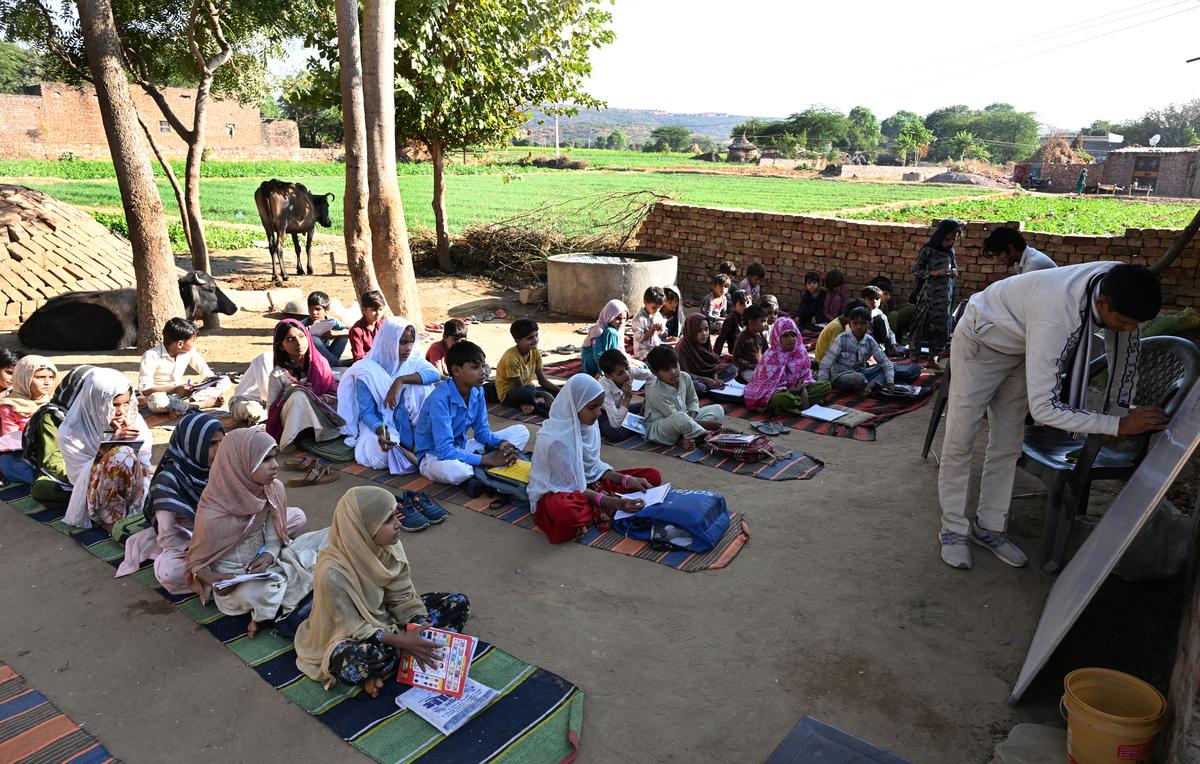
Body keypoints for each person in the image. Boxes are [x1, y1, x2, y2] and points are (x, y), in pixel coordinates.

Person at [937, 263, 1167, 571]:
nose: (1127, 329)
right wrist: (1116, 424)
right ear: (1102, 304)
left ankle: (989, 527)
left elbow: (1126, 357)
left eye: (1134, 324)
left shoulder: (1119, 283)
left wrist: (1119, 411)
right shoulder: (1059, 315)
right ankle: (953, 529)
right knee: (960, 437)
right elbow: (1045, 408)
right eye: (1123, 322)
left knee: (1008, 443)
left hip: (1023, 346)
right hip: (983, 340)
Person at [294, 486, 470, 696]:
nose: (398, 524)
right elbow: (351, 628)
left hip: (390, 621)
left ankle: (400, 655)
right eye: (388, 520)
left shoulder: (390, 545)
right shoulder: (332, 573)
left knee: (457, 603)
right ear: (363, 527)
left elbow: (403, 595)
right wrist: (400, 640)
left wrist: (418, 626)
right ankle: (402, 654)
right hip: (351, 635)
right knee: (357, 663)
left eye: (396, 514)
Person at [185, 428, 326, 638]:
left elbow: (273, 538)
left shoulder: (271, 488)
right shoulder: (211, 512)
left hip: (269, 566)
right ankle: (266, 613)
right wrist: (213, 580)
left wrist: (268, 556)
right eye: (265, 459)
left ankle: (267, 611)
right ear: (240, 463)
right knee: (267, 589)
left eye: (274, 457)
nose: (275, 465)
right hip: (236, 583)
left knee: (330, 535)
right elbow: (196, 563)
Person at [529, 374, 662, 543]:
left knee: (652, 476)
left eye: (600, 406)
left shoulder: (589, 425)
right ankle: (598, 509)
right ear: (574, 405)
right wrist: (615, 503)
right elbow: (572, 487)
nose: (598, 413)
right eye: (592, 407)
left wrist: (626, 480)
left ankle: (593, 512)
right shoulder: (555, 441)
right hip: (561, 492)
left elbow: (595, 467)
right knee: (566, 512)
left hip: (588, 484)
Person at [413, 341, 530, 486]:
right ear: (456, 371)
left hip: (462, 446)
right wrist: (486, 459)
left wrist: (501, 443)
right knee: (458, 471)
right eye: (475, 367)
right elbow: (444, 450)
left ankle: (485, 467)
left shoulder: (477, 390)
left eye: (483, 365)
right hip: (435, 456)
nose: (483, 372)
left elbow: (481, 432)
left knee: (521, 432)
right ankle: (488, 466)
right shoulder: (440, 399)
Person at [337, 317, 440, 474]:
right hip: (384, 426)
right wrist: (380, 430)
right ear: (388, 341)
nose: (408, 348)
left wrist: (400, 380)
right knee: (382, 454)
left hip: (415, 427)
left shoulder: (413, 362)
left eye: (411, 342)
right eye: (403, 342)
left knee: (421, 388)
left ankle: (416, 447)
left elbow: (434, 375)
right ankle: (410, 453)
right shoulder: (367, 371)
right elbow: (366, 412)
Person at [60, 368, 152, 533]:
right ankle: (111, 520)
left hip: (132, 488)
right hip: (94, 494)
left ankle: (134, 511)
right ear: (96, 402)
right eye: (114, 405)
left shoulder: (133, 419)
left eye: (126, 403)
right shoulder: (71, 433)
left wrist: (130, 444)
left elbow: (145, 463)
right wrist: (113, 444)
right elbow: (79, 476)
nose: (121, 411)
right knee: (120, 455)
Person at [265, 319, 341, 450]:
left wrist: (319, 399)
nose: (298, 343)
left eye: (301, 336)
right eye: (290, 340)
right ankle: (293, 440)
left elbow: (334, 394)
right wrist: (289, 396)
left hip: (320, 416)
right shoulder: (278, 374)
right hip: (291, 423)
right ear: (281, 346)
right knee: (298, 395)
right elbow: (271, 409)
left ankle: (321, 436)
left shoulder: (320, 364)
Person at [22, 365, 93, 505]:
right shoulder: (53, 417)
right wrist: (83, 478)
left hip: (102, 470)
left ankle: (91, 499)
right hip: (70, 472)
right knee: (42, 489)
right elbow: (52, 461)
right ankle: (90, 498)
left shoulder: (108, 409)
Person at [138, 317, 228, 414]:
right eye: (192, 341)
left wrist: (201, 385)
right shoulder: (151, 355)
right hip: (163, 396)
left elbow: (207, 373)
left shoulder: (189, 352)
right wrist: (175, 389)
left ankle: (185, 404)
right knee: (156, 401)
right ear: (180, 344)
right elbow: (145, 390)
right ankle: (202, 404)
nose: (194, 344)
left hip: (187, 395)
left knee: (225, 380)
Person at [643, 345, 724, 449]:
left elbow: (693, 401)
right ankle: (707, 435)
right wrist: (705, 425)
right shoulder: (655, 391)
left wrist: (691, 419)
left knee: (718, 409)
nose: (673, 372)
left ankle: (690, 436)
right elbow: (674, 416)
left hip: (685, 420)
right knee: (680, 418)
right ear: (655, 373)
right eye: (666, 370)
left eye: (675, 366)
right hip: (662, 429)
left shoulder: (685, 377)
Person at [744, 317, 831, 413]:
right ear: (777, 337)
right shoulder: (771, 356)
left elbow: (805, 377)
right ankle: (794, 403)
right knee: (780, 400)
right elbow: (768, 389)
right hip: (779, 394)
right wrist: (792, 391)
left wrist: (803, 391)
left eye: (793, 335)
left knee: (825, 386)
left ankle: (796, 403)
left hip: (799, 390)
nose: (791, 339)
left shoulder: (800, 351)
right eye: (785, 336)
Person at [909, 219, 963, 367]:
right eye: (947, 239)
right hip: (928, 295)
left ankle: (933, 358)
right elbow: (916, 270)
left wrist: (953, 272)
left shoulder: (950, 251)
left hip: (944, 297)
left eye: (953, 240)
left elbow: (953, 268)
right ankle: (914, 357)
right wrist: (934, 273)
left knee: (939, 327)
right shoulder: (929, 249)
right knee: (920, 325)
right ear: (940, 236)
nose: (949, 242)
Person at [817, 306, 904, 393]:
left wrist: (890, 383)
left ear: (869, 325)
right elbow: (826, 363)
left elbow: (885, 362)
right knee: (859, 379)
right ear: (850, 325)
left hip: (862, 373)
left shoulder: (870, 341)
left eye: (863, 323)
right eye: (855, 323)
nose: (859, 327)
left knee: (892, 365)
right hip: (841, 376)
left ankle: (871, 385)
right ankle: (870, 385)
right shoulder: (842, 339)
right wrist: (823, 387)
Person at [0, 355, 56, 484]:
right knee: (13, 464)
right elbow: (11, 439)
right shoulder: (10, 406)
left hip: (53, 451)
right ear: (24, 378)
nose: (47, 382)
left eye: (51, 377)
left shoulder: (53, 402)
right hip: (23, 454)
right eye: (40, 377)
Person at [492, 318, 560, 416]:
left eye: (536, 335)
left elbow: (542, 380)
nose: (535, 340)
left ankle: (529, 403)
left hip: (528, 390)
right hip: (511, 394)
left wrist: (561, 391)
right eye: (530, 338)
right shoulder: (511, 358)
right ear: (517, 341)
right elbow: (519, 387)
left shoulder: (535, 351)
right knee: (529, 390)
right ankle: (529, 404)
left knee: (559, 389)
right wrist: (544, 394)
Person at [676, 313, 737, 395]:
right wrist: (706, 380)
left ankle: (711, 386)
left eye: (706, 329)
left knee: (733, 369)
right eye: (699, 330)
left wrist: (715, 376)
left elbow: (713, 365)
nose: (704, 334)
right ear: (691, 330)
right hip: (693, 379)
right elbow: (683, 374)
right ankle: (708, 387)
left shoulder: (705, 343)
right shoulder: (683, 347)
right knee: (697, 386)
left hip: (708, 375)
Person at [597, 349, 646, 442]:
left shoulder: (627, 373)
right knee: (615, 434)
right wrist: (627, 398)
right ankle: (639, 426)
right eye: (620, 373)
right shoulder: (604, 390)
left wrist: (648, 394)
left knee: (645, 403)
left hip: (618, 408)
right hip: (603, 414)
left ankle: (634, 421)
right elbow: (615, 422)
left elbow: (651, 376)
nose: (627, 374)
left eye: (627, 368)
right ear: (608, 376)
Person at [581, 299, 629, 377]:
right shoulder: (597, 330)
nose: (622, 322)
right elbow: (598, 355)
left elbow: (620, 349)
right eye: (618, 319)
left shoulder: (620, 328)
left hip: (607, 360)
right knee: (611, 332)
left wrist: (625, 362)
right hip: (592, 360)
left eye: (624, 318)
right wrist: (604, 373)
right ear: (609, 316)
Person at [303, 291, 349, 367]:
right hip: (313, 356)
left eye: (318, 309)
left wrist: (335, 334)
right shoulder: (303, 324)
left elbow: (351, 329)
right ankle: (335, 363)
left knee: (343, 336)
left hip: (328, 353)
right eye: (311, 309)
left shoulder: (331, 321)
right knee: (313, 339)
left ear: (327, 310)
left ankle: (332, 361)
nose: (314, 312)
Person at [982, 227, 1056, 275]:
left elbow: (1024, 294)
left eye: (998, 254)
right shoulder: (1020, 261)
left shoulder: (1034, 264)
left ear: (1010, 248)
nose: (997, 260)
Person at [732, 305, 769, 381]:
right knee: (758, 379)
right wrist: (751, 366)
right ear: (751, 322)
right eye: (763, 321)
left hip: (759, 368)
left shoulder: (761, 336)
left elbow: (767, 353)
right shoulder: (742, 337)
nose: (766, 324)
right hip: (746, 370)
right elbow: (736, 358)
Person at [631, 286, 667, 360]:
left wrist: (662, 330)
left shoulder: (658, 315)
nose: (656, 310)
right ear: (645, 302)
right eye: (654, 307)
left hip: (656, 347)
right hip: (643, 351)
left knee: (669, 353)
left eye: (659, 308)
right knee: (653, 360)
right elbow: (640, 338)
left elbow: (664, 334)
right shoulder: (639, 319)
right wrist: (652, 329)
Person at [350, 290, 387, 362]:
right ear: (363, 310)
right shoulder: (356, 331)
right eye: (374, 310)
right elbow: (359, 357)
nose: (378, 313)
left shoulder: (384, 326)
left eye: (380, 309)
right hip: (366, 366)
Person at [862, 285, 897, 355]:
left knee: (882, 317)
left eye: (877, 298)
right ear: (864, 300)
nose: (874, 301)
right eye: (870, 299)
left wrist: (893, 343)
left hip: (879, 343)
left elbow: (889, 331)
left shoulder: (879, 312)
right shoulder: (861, 313)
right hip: (865, 345)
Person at [713, 289, 748, 356]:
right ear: (735, 305)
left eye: (748, 302)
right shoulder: (730, 319)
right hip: (736, 352)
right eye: (741, 303)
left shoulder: (750, 316)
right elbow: (721, 339)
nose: (745, 306)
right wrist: (715, 356)